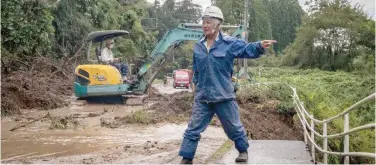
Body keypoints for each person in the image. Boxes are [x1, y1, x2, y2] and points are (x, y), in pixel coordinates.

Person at [178, 6, 277, 164]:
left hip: (224, 95)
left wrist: (259, 46)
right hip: (203, 97)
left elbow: (246, 48)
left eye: (208, 22)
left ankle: (243, 150)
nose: (205, 25)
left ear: (217, 24)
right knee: (192, 129)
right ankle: (186, 158)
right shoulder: (198, 46)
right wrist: (196, 85)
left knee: (233, 127)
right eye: (203, 22)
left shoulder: (229, 43)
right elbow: (196, 68)